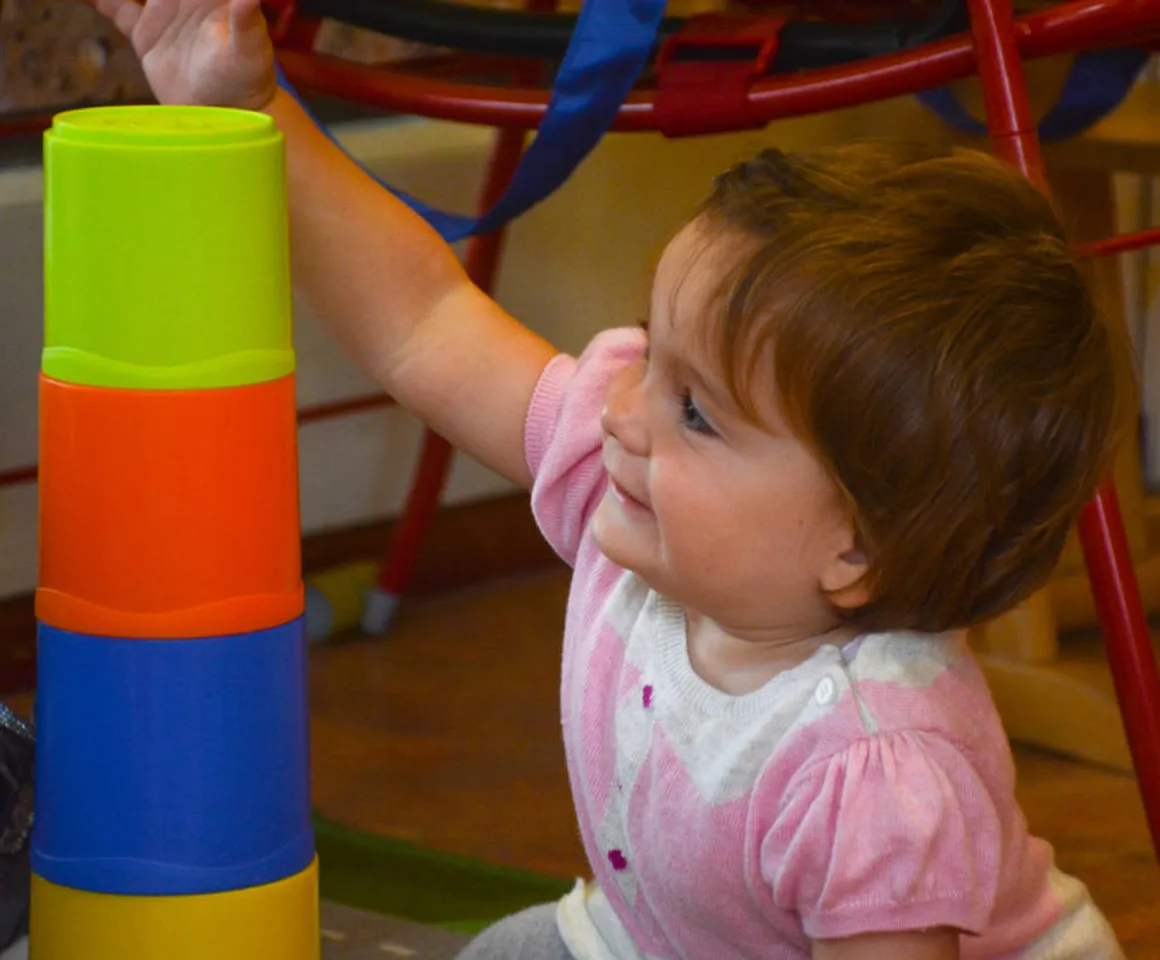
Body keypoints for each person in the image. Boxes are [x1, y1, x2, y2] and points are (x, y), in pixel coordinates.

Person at [86, 0, 1130, 956]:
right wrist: (258, 108)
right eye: (648, 357)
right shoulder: (638, 492)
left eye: (692, 410)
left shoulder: (876, 779)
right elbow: (423, 324)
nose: (618, 412)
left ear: (852, 546)